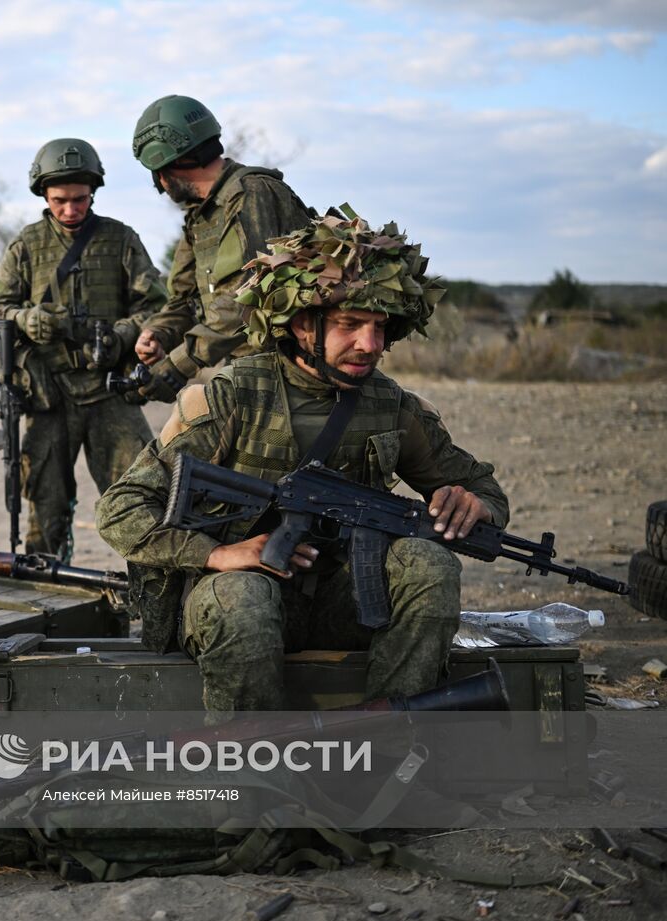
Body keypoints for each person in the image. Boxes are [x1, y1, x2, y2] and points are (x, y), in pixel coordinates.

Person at [96, 212, 509, 710]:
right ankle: (252, 775)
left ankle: (393, 745)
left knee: (429, 564)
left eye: (380, 328)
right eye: (349, 325)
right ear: (300, 323)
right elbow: (121, 508)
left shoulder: (392, 405)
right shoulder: (234, 397)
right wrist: (216, 554)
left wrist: (474, 504)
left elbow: (483, 491)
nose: (369, 345)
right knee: (241, 601)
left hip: (343, 601)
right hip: (238, 599)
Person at [0, 138, 168, 557]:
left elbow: (156, 306)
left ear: (93, 193)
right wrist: (26, 319)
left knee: (139, 500)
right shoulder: (26, 246)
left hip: (112, 391)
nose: (71, 210)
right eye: (60, 200)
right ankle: (47, 601)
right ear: (44, 196)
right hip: (50, 396)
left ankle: (150, 599)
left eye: (80, 199)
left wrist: (123, 334)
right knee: (45, 508)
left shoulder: (120, 240)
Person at [129, 94, 312, 403]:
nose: (159, 184)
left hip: (290, 371)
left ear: (167, 165)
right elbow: (184, 300)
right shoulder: (202, 216)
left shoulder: (252, 194)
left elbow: (249, 297)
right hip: (248, 370)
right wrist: (158, 334)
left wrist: (178, 364)